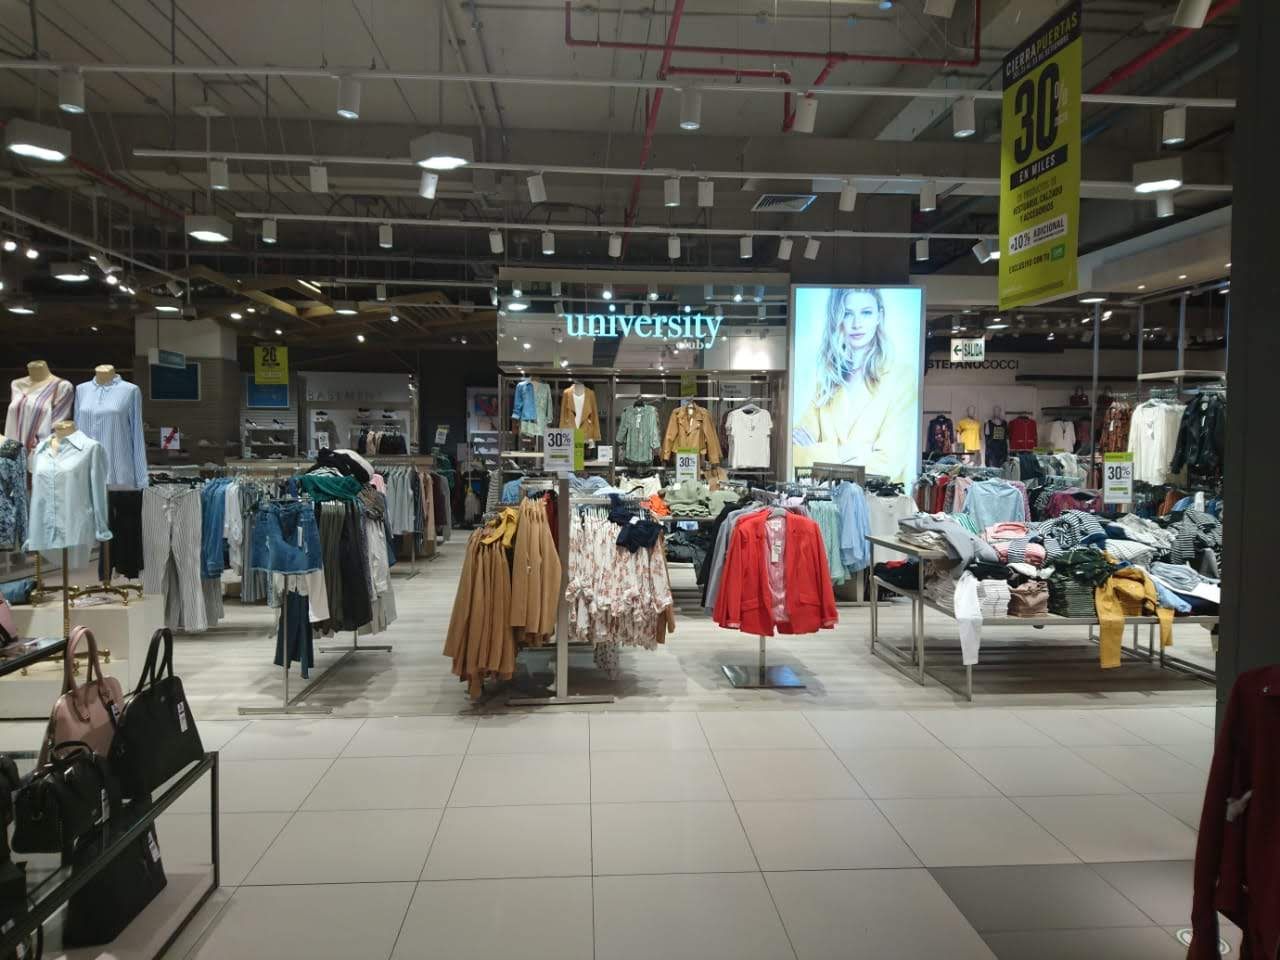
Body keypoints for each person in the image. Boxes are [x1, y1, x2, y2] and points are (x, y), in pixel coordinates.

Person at [792, 287, 917, 482]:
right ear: (837, 318)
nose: (857, 324)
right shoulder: (827, 381)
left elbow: (887, 466)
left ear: (879, 316)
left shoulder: (902, 377)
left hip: (877, 499)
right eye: (847, 314)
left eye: (866, 313)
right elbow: (796, 454)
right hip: (827, 497)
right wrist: (845, 453)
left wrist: (820, 456)